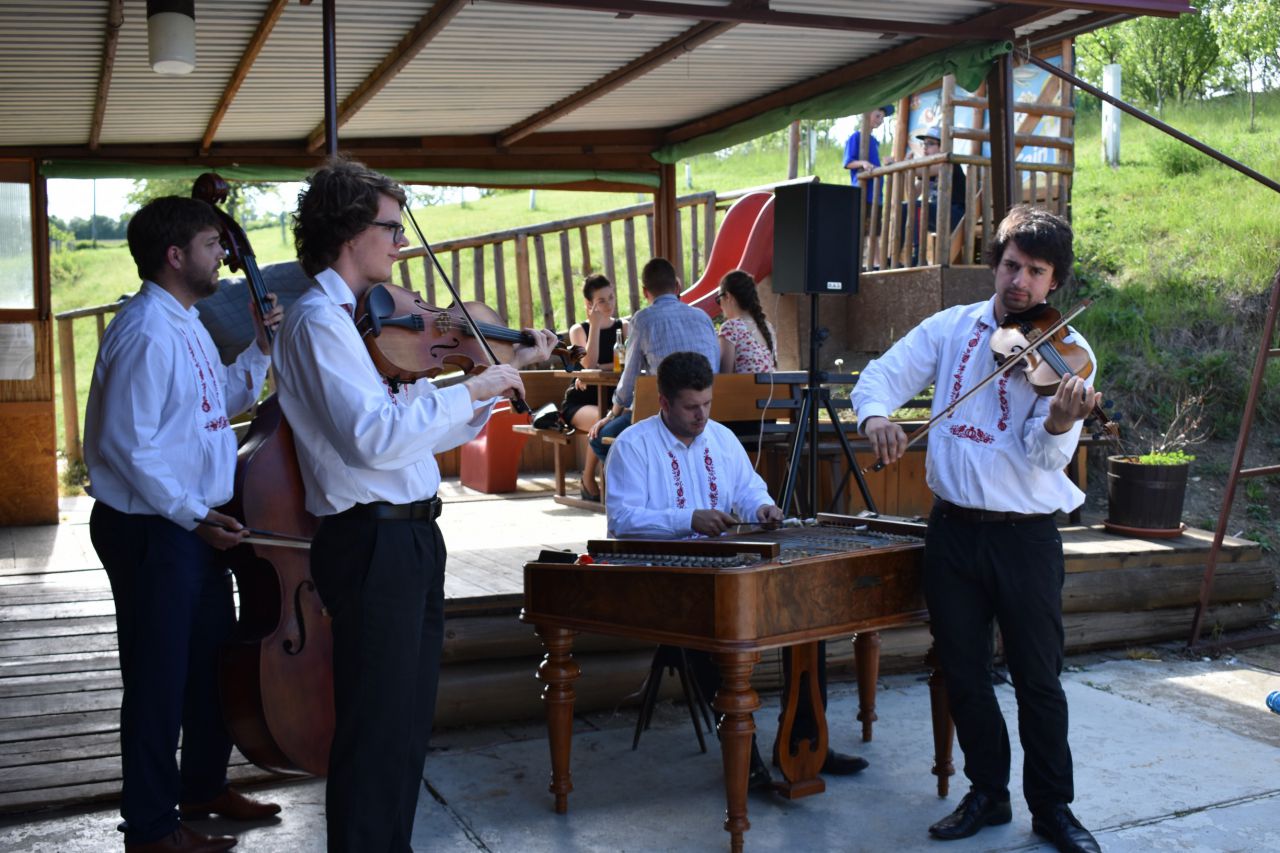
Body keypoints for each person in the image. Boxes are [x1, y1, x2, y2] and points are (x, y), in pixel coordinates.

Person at [274, 156, 556, 852]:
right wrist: (475, 386)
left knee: (403, 729)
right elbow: (373, 437)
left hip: (410, 537)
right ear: (350, 232)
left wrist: (493, 379)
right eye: (391, 228)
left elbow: (413, 430)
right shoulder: (317, 322)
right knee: (376, 732)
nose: (401, 243)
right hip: (372, 541)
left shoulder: (354, 323)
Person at [851, 205, 1102, 853]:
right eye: (1012, 265)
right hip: (953, 530)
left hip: (1024, 537)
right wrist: (876, 415)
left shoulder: (1070, 356)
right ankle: (988, 792)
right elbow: (881, 376)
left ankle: (1053, 807)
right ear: (996, 264)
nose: (1020, 281)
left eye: (1036, 272)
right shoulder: (951, 326)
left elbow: (1043, 456)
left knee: (1037, 679)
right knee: (962, 671)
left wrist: (1058, 422)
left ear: (1054, 282)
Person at [83, 196, 283, 853]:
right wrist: (196, 517)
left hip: (191, 525)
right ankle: (150, 827)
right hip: (156, 529)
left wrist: (259, 350)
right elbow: (127, 446)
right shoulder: (145, 330)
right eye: (210, 244)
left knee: (208, 668)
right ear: (175, 255)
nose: (223, 255)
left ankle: (201, 788)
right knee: (157, 679)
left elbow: (217, 403)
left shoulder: (185, 321)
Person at [606, 351, 867, 791]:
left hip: (727, 565)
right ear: (664, 403)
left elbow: (748, 490)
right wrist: (688, 519)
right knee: (716, 630)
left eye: (707, 404)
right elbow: (622, 520)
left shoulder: (722, 438)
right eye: (691, 407)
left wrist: (762, 508)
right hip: (667, 576)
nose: (701, 415)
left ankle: (806, 741)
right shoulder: (633, 446)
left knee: (808, 618)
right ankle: (744, 757)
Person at [587, 257, 719, 461]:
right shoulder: (703, 317)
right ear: (677, 286)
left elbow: (628, 381)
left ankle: (643, 478)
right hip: (708, 414)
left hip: (666, 415)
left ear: (644, 291)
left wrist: (612, 414)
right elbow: (715, 367)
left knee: (600, 438)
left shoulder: (642, 320)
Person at [559, 273, 626, 502]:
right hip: (581, 402)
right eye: (602, 300)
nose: (609, 304)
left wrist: (603, 367)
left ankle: (617, 483)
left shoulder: (623, 327)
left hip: (614, 400)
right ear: (589, 304)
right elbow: (589, 363)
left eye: (611, 297)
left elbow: (627, 363)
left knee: (614, 417)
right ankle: (588, 478)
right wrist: (595, 325)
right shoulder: (578, 330)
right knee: (601, 418)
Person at [899, 127, 967, 265]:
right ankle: (898, 255)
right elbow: (912, 195)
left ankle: (918, 256)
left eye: (930, 144)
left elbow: (918, 171)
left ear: (942, 147)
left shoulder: (948, 162)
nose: (925, 147)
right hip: (939, 214)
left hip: (957, 215)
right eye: (924, 143)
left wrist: (905, 165)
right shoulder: (928, 169)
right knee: (905, 207)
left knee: (916, 207)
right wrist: (907, 173)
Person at [844, 104, 894, 269]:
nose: (880, 120)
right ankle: (871, 263)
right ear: (866, 115)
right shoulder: (856, 137)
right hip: (863, 192)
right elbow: (848, 162)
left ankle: (877, 262)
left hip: (876, 194)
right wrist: (863, 163)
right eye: (877, 116)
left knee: (875, 230)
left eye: (882, 118)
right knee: (866, 230)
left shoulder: (874, 141)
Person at [715, 269, 776, 374]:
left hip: (743, 386)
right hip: (770, 385)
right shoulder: (768, 327)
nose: (720, 305)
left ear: (728, 296)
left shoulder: (731, 328)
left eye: (718, 299)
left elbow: (724, 377)